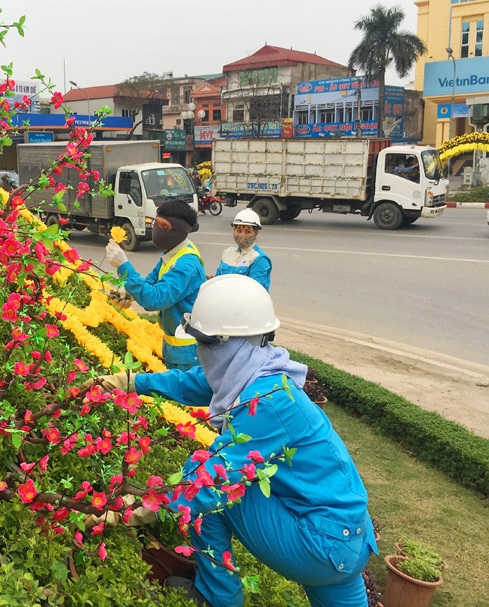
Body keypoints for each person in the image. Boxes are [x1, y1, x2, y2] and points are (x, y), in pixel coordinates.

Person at [97, 275, 378, 607]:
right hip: (347, 539)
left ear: (227, 343)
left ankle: (218, 599)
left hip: (320, 543)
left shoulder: (268, 402)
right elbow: (196, 382)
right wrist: (130, 382)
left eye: (203, 341)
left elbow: (213, 479)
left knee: (201, 474)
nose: (199, 350)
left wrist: (137, 509)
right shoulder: (260, 373)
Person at [105, 200, 205, 370]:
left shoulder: (186, 264)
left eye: (163, 226)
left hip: (187, 352)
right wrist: (128, 292)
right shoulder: (172, 253)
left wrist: (124, 266)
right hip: (173, 346)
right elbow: (150, 283)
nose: (157, 229)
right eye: (155, 223)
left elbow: (154, 299)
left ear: (179, 231)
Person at [215, 209, 271, 290]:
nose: (242, 235)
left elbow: (255, 292)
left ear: (256, 233)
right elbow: (217, 280)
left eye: (248, 232)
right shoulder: (227, 252)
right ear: (234, 230)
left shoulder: (259, 259)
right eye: (239, 231)